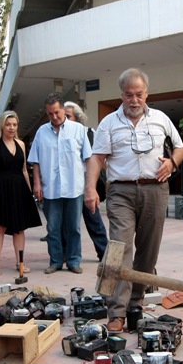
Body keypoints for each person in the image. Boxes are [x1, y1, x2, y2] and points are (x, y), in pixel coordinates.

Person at [85, 68, 183, 334]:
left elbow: (180, 146)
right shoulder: (108, 123)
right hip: (121, 191)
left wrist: (173, 162)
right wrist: (90, 190)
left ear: (146, 94)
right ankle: (116, 311)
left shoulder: (161, 118)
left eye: (139, 94)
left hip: (155, 190)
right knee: (119, 248)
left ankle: (136, 304)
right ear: (121, 95)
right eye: (128, 95)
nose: (134, 100)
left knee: (148, 250)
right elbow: (97, 158)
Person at [28, 92, 92, 275]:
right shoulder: (41, 132)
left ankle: (73, 260)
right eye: (50, 114)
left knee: (74, 227)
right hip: (51, 189)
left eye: (57, 112)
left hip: (74, 187)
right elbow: (36, 161)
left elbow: (88, 159)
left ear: (63, 109)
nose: (54, 117)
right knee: (53, 228)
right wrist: (37, 184)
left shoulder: (78, 129)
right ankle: (55, 261)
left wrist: (90, 187)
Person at [0, 111, 42, 277]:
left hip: (19, 189)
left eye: (14, 124)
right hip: (0, 188)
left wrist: (29, 192)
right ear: (2, 125)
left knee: (19, 228)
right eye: (8, 124)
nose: (11, 128)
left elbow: (24, 169)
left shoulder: (21, 144)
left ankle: (20, 262)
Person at [64, 101, 108, 260]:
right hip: (68, 185)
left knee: (94, 219)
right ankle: (67, 255)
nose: (64, 119)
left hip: (86, 183)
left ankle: (104, 253)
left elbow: (97, 158)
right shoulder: (59, 134)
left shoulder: (89, 132)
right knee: (67, 223)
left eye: (68, 116)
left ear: (77, 118)